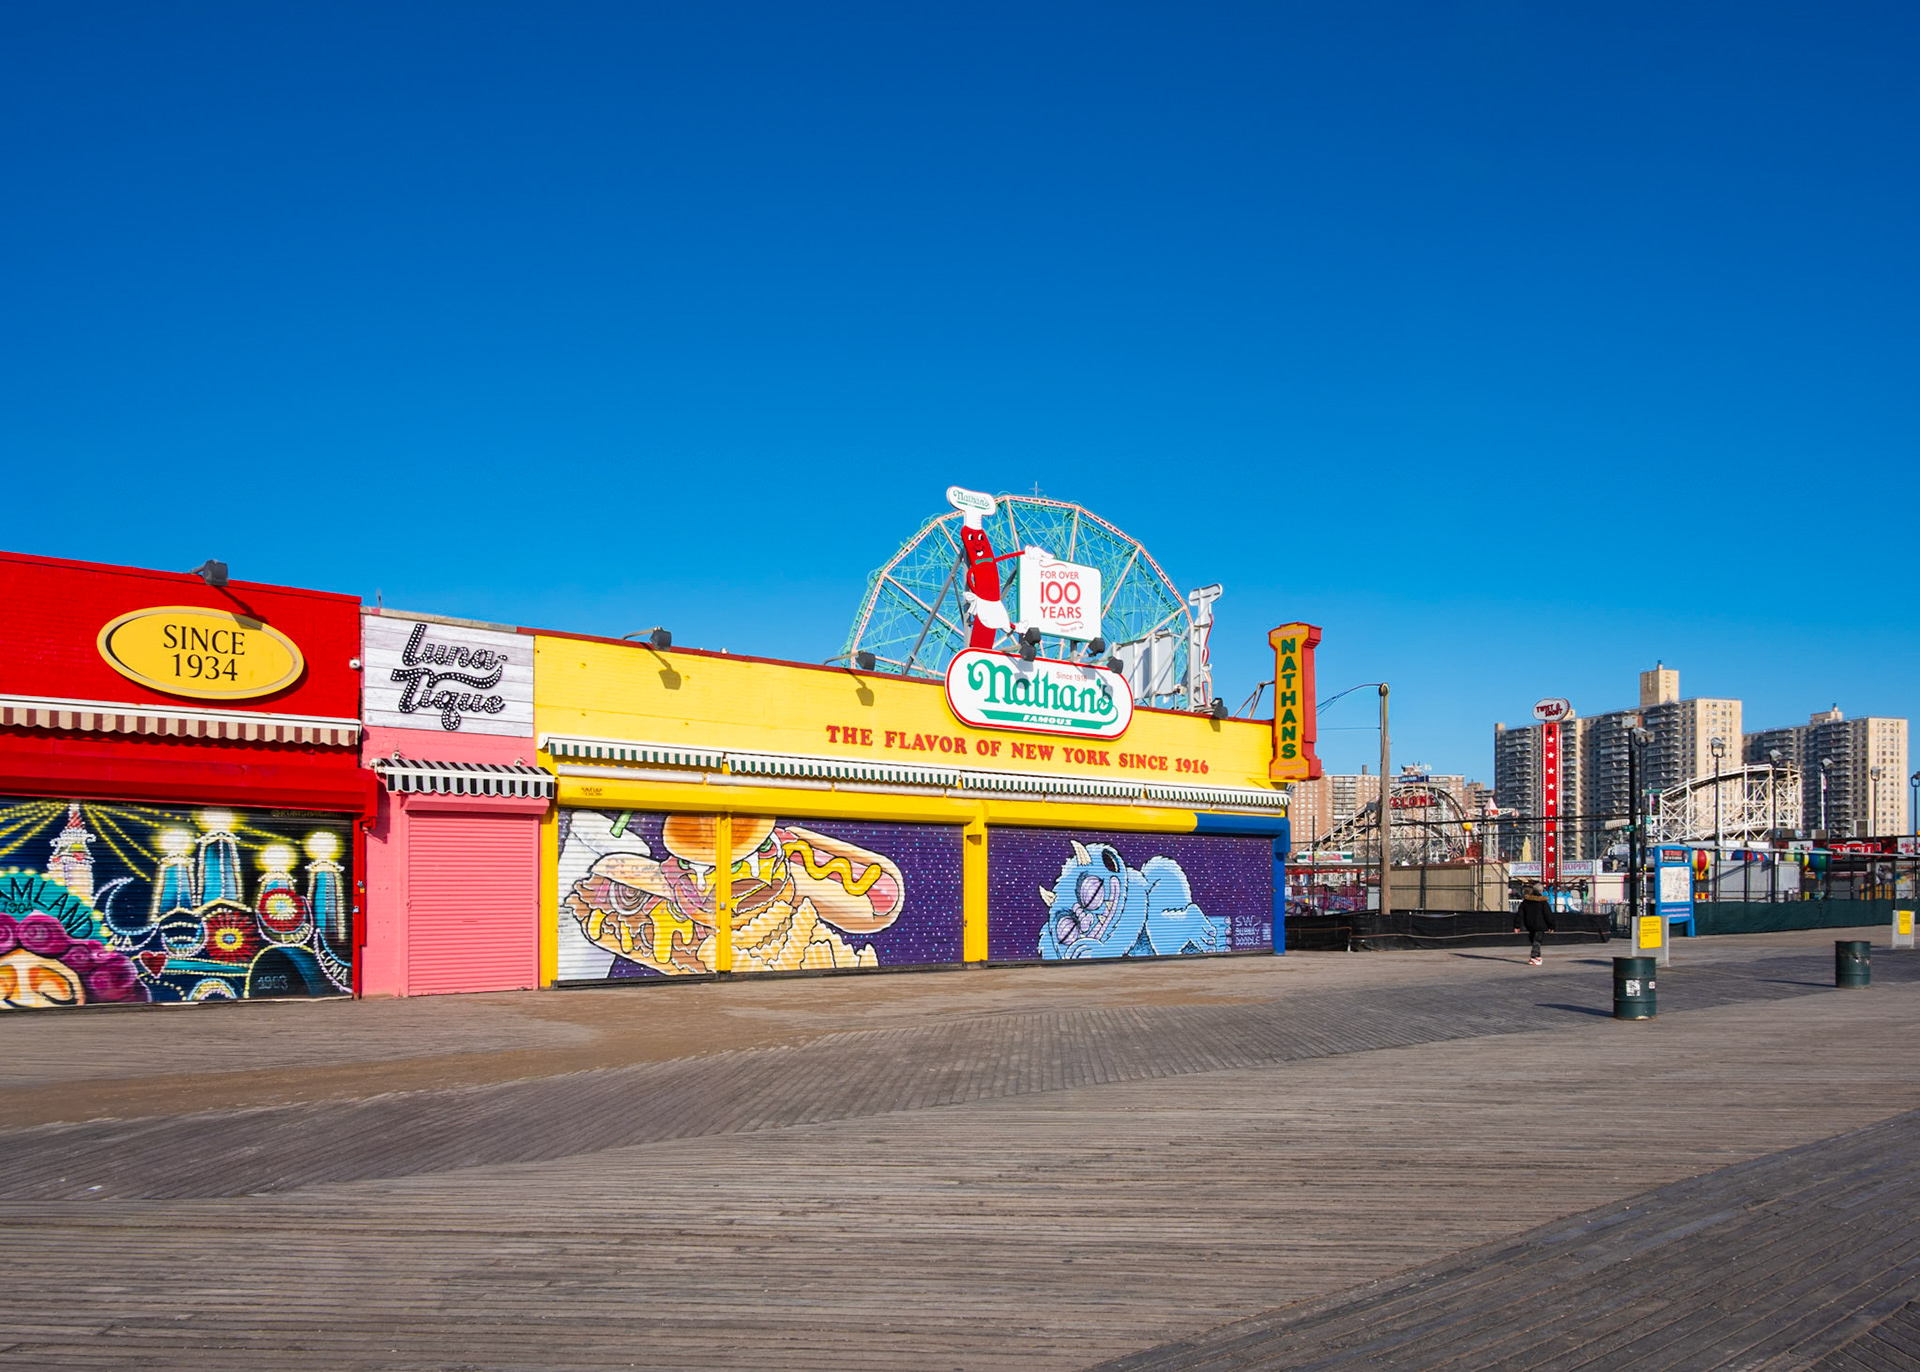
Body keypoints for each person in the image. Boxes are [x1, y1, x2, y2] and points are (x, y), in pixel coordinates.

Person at [1514, 883, 1555, 965]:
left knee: (1534, 940)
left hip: (1529, 924)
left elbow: (1520, 914)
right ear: (1541, 890)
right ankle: (1533, 957)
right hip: (1540, 925)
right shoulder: (1543, 902)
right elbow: (1548, 915)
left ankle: (1538, 957)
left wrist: (1517, 926)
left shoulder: (1526, 901)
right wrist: (1551, 926)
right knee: (1537, 940)